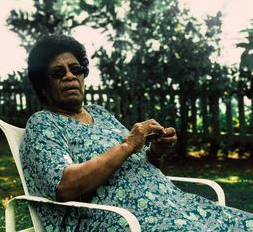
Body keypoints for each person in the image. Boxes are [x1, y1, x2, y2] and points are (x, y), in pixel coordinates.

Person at [20, 34, 253, 231]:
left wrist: (155, 152)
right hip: (122, 219)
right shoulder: (43, 124)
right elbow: (64, 186)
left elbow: (136, 163)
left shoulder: (100, 114)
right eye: (58, 73)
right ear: (42, 85)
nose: (70, 76)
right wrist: (128, 144)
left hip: (174, 205)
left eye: (76, 69)